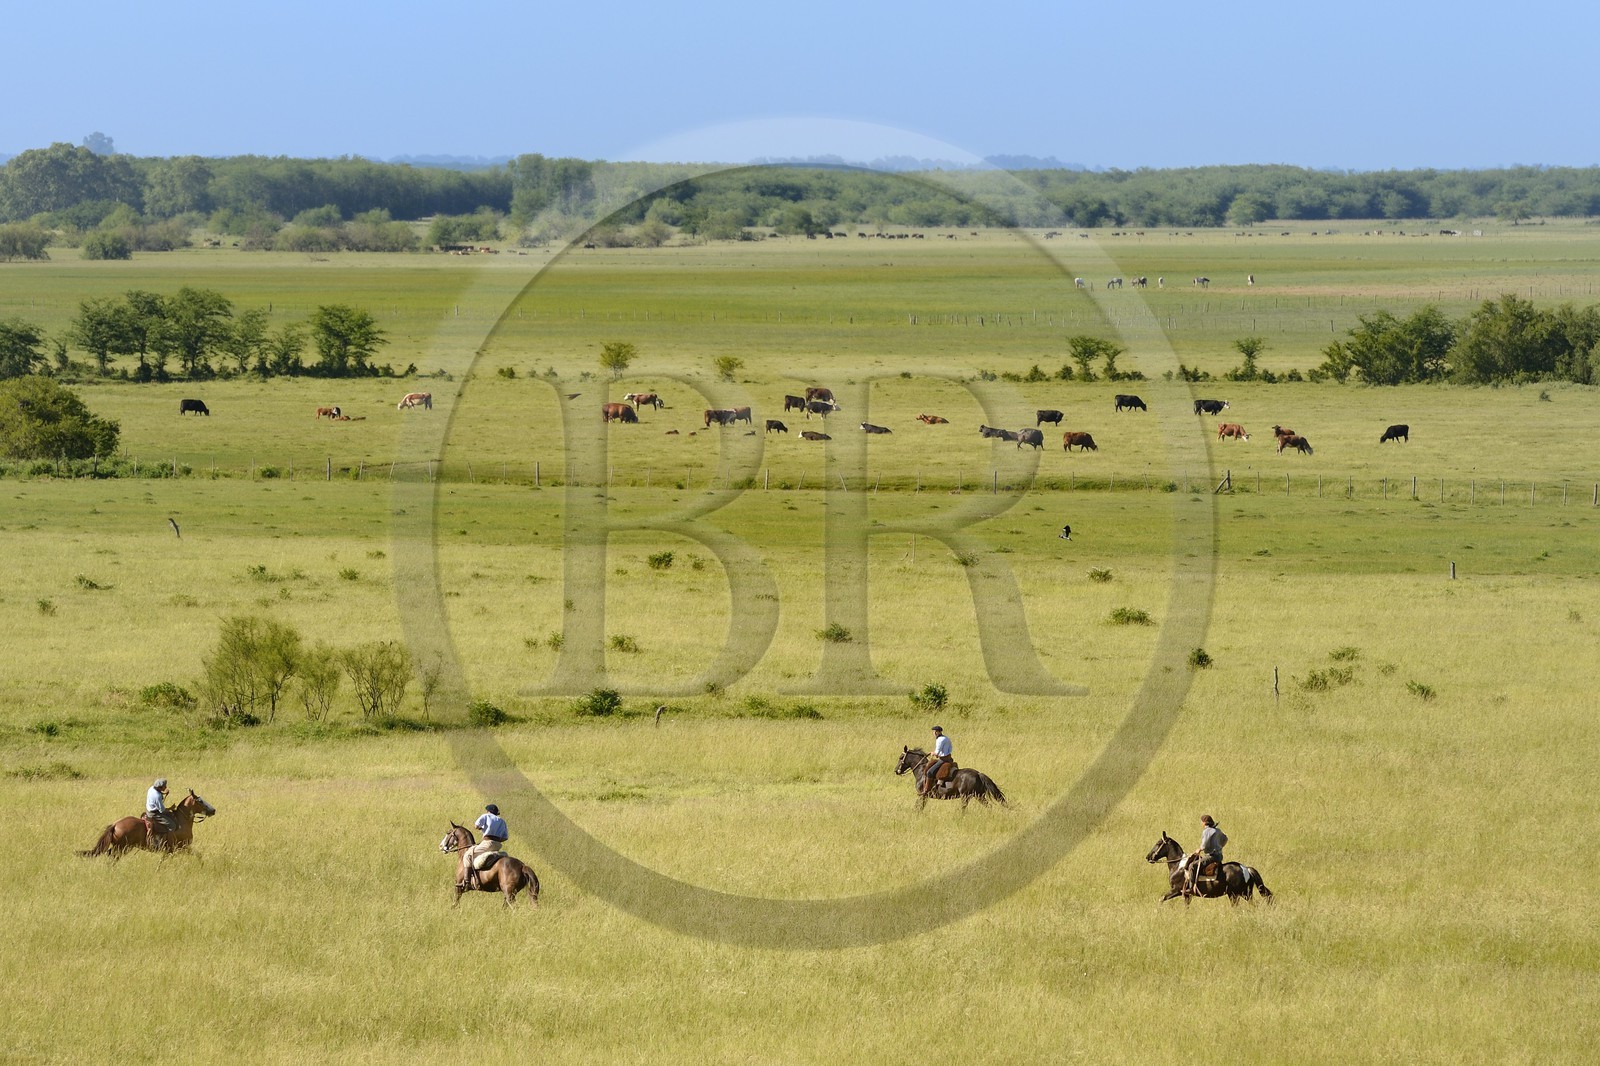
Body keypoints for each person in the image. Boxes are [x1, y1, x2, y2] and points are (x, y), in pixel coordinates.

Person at [461, 804, 509, 889]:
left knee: (467, 855)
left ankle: (467, 881)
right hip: (497, 845)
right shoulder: (502, 821)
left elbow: (476, 826)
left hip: (487, 843)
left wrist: (481, 828)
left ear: (488, 811)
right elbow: (505, 837)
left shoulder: (486, 816)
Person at [1184, 814, 1228, 895]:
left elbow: (1204, 845)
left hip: (1211, 856)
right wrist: (1219, 846)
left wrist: (1199, 849)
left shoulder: (1206, 831)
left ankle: (1191, 889)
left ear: (1204, 823)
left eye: (1202, 822)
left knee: (1192, 866)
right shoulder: (1218, 830)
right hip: (1219, 856)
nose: (1201, 824)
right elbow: (1225, 839)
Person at [921, 726, 953, 797]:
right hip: (949, 758)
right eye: (934, 731)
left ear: (939, 732)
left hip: (943, 760)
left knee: (929, 772)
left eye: (936, 731)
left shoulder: (940, 740)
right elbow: (950, 748)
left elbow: (937, 753)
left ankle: (926, 790)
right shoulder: (946, 738)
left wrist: (933, 753)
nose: (934, 733)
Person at [145, 778, 176, 845]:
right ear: (160, 787)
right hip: (154, 814)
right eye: (164, 786)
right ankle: (170, 844)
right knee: (172, 825)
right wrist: (171, 808)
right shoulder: (157, 796)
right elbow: (162, 810)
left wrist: (163, 792)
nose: (166, 787)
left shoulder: (151, 788)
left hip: (148, 809)